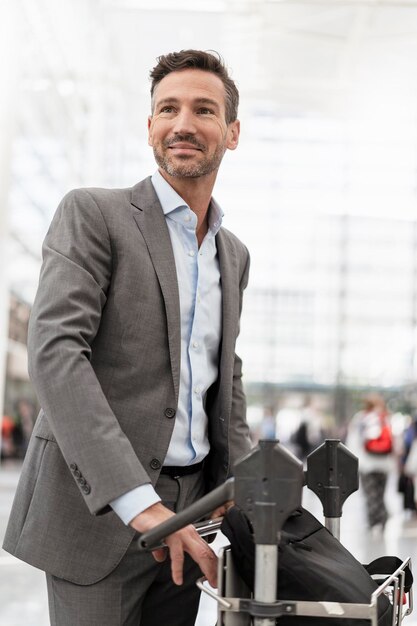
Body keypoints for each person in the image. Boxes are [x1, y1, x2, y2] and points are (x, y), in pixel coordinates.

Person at [3, 49, 252, 626]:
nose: (183, 124)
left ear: (232, 133)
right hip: (99, 515)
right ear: (150, 127)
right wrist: (141, 506)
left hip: (196, 514)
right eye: (168, 108)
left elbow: (226, 376)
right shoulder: (94, 214)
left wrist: (241, 489)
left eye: (204, 110)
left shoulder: (232, 254)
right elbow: (57, 354)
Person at [345, 394, 394, 533]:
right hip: (384, 463)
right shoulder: (385, 417)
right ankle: (382, 518)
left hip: (367, 463)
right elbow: (395, 441)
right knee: (380, 493)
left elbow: (353, 440)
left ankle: (373, 522)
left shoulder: (361, 418)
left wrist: (353, 460)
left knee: (370, 494)